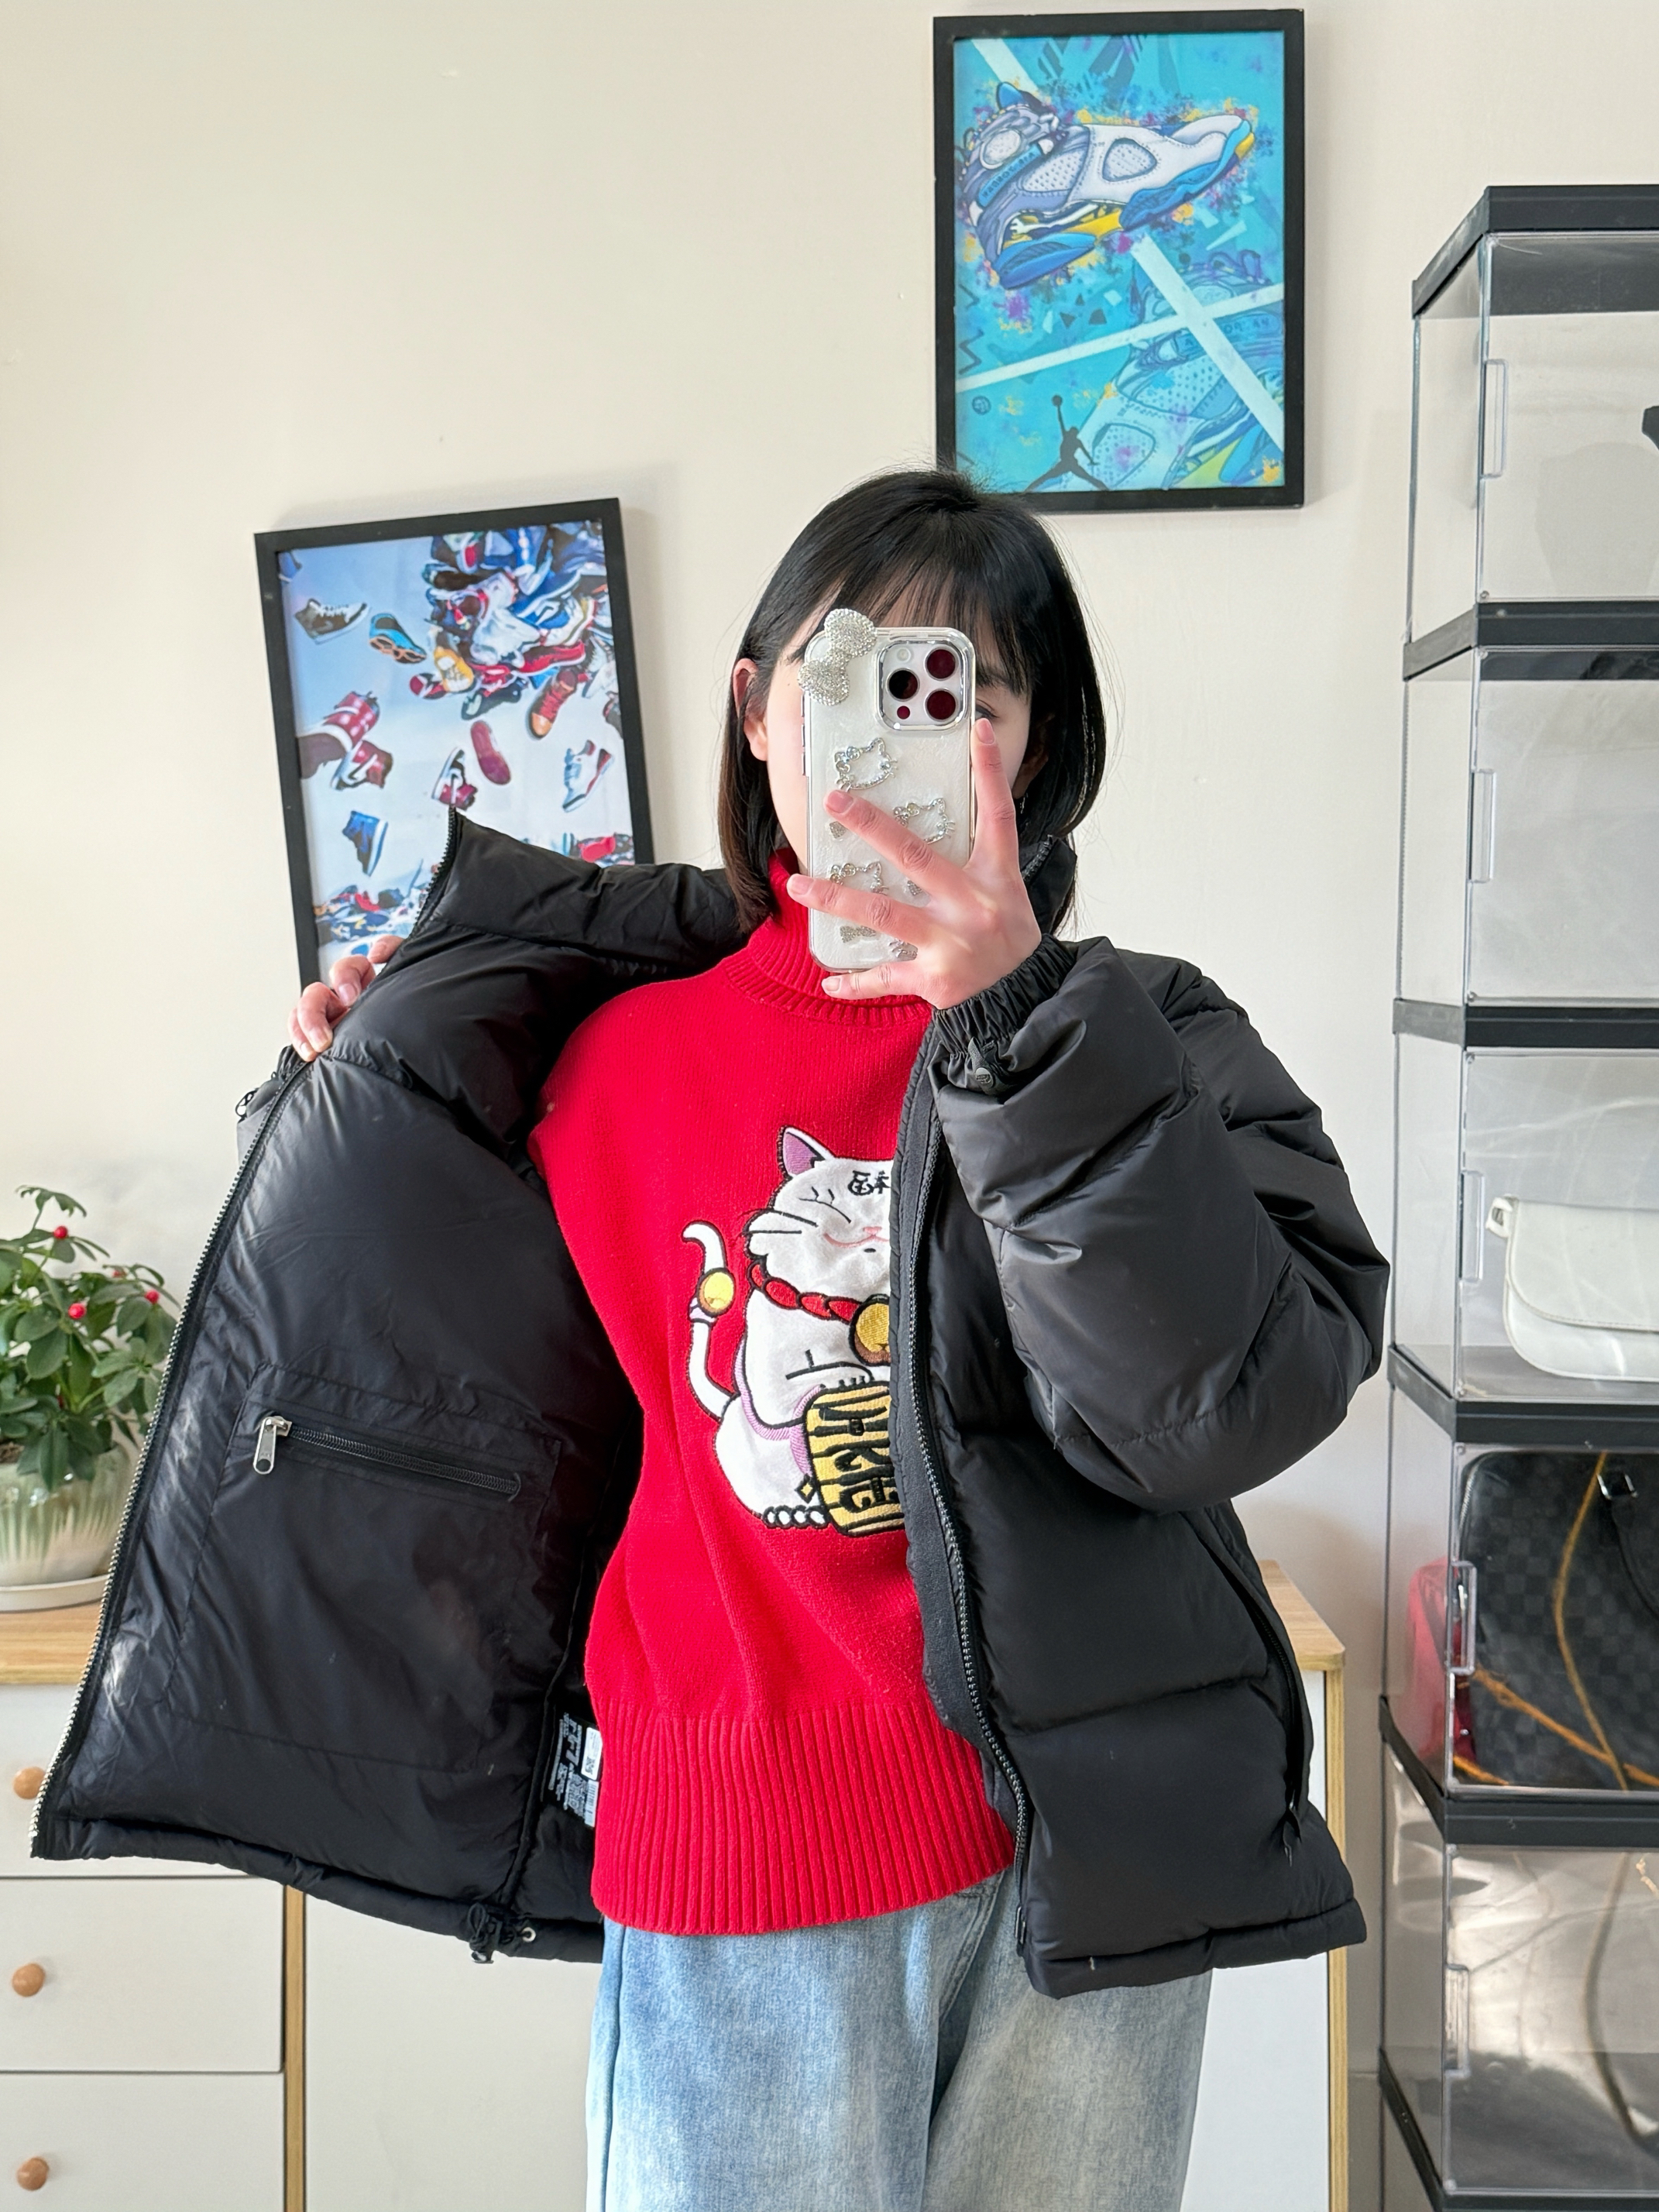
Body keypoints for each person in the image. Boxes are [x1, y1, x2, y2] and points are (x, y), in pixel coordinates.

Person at [40, 471, 1386, 2212]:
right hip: (731, 1837)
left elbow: (1218, 1406)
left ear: (1032, 743)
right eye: (845, 678)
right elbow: (375, 1355)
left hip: (1082, 1853)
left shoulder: (1146, 1038)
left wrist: (1019, 1026)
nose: (892, 733)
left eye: (958, 690)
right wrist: (351, 1094)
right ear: (758, 712)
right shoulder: (598, 1052)